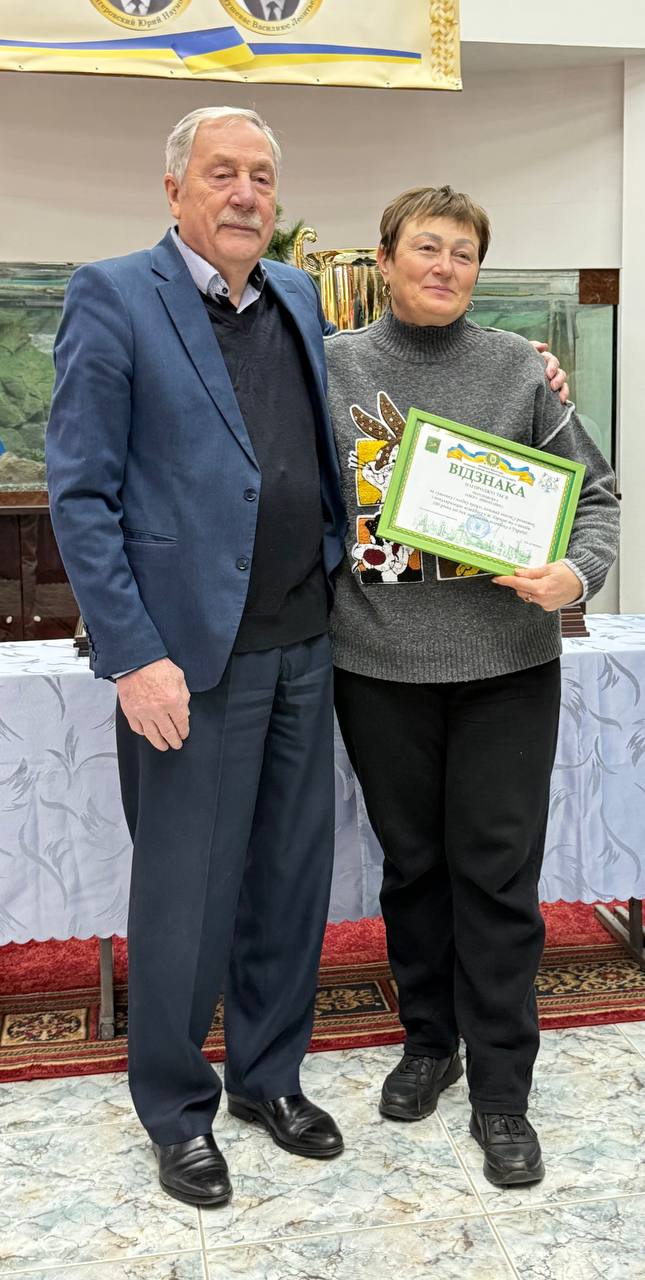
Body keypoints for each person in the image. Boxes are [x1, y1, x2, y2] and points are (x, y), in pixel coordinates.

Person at [45, 106, 347, 1209]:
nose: (245, 193)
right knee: (185, 897)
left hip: (304, 642)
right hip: (187, 662)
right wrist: (134, 656)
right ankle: (177, 1111)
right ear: (174, 189)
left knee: (290, 882)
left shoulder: (298, 296)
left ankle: (269, 1077)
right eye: (222, 173)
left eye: (261, 175)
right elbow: (81, 494)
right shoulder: (114, 295)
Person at [326, 185, 619, 1187]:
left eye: (462, 253)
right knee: (412, 867)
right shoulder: (331, 368)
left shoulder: (518, 369)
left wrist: (575, 573)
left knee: (495, 877)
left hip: (507, 671)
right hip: (376, 666)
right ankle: (429, 1042)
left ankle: (501, 1087)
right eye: (426, 247)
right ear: (385, 259)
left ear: (477, 271)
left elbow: (596, 499)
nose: (444, 266)